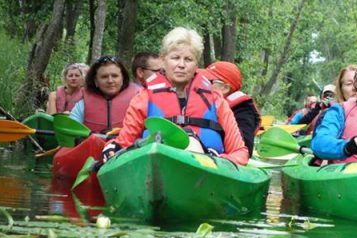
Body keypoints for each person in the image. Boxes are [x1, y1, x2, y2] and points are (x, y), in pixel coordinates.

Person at [101, 27, 249, 165]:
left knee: (193, 144)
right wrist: (112, 149)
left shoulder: (216, 100)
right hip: (155, 164)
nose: (181, 65)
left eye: (188, 59)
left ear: (196, 63)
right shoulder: (144, 98)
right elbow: (124, 143)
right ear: (163, 60)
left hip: (206, 166)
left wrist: (216, 160)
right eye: (175, 58)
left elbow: (240, 152)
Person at [204, 60, 261, 155]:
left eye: (209, 81)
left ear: (225, 88)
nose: (201, 83)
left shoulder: (244, 110)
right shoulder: (200, 102)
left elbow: (245, 148)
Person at [69, 56, 139, 132]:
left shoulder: (138, 100)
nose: (110, 81)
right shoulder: (82, 105)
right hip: (92, 143)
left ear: (123, 78)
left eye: (115, 76)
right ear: (95, 81)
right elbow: (70, 131)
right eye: (104, 77)